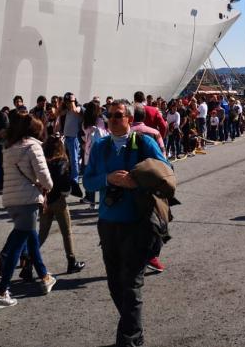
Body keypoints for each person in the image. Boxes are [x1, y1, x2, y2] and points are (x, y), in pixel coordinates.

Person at [83, 100, 169, 347]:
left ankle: (129, 341)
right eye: (109, 115)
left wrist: (137, 180)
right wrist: (107, 179)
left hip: (138, 223)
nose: (112, 119)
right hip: (108, 224)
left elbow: (167, 171)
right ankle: (134, 331)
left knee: (131, 284)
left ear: (130, 119)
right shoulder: (100, 147)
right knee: (115, 284)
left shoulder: (144, 143)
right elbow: (88, 182)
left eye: (118, 115)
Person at [0, 115, 56, 309]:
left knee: (30, 238)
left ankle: (45, 276)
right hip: (28, 199)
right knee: (18, 246)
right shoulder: (33, 147)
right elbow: (44, 176)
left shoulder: (9, 147)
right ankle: (3, 291)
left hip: (11, 200)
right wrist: (48, 186)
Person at [38, 136, 86, 274]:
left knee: (42, 233)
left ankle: (28, 259)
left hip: (46, 199)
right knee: (67, 232)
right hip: (59, 199)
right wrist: (66, 192)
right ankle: (71, 262)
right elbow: (63, 179)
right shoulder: (62, 160)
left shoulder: (43, 161)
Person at [60, 92, 83, 190]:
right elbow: (58, 113)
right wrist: (63, 103)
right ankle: (68, 178)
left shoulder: (78, 108)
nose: (68, 103)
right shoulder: (67, 110)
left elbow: (76, 111)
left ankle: (75, 179)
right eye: (67, 101)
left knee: (74, 160)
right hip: (66, 137)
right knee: (66, 159)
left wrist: (72, 100)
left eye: (69, 101)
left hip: (74, 138)